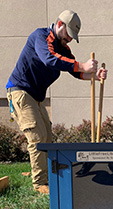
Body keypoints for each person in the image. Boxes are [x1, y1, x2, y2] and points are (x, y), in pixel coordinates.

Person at [6, 10, 107, 194]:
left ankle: (51, 173)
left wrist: (94, 74)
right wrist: (82, 65)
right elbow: (50, 59)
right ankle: (39, 184)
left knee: (47, 137)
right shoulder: (40, 36)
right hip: (20, 91)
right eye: (69, 34)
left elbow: (76, 71)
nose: (69, 39)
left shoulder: (64, 48)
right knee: (36, 137)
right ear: (60, 25)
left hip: (36, 97)